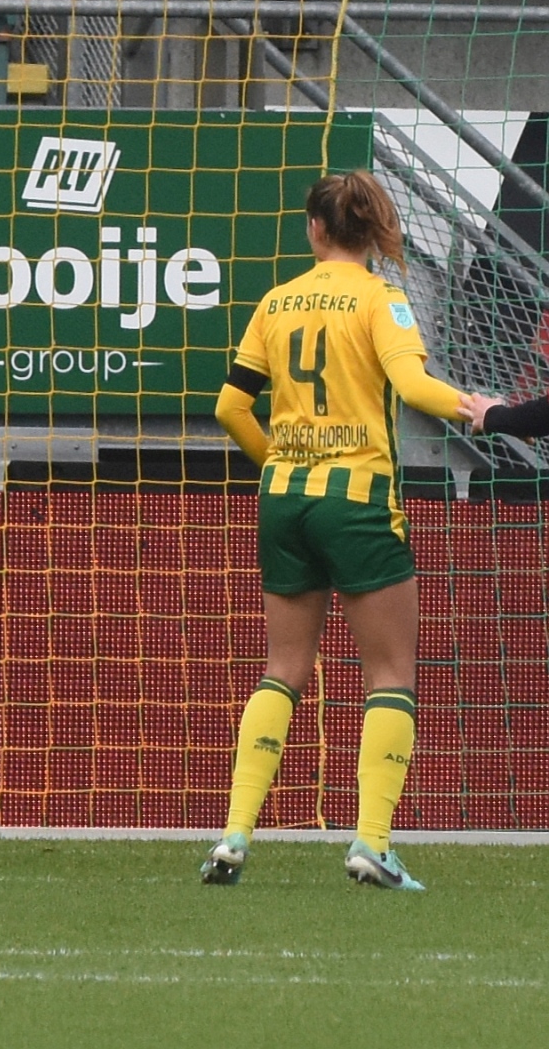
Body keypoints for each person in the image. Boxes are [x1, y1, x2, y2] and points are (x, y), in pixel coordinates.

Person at [206, 170, 477, 893]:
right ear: (370, 229)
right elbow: (415, 388)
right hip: (355, 501)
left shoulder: (278, 300)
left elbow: (231, 408)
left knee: (282, 667)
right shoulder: (382, 299)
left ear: (315, 230)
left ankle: (234, 835)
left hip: (284, 498)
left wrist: (285, 467)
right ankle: (373, 844)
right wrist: (474, 405)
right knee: (389, 673)